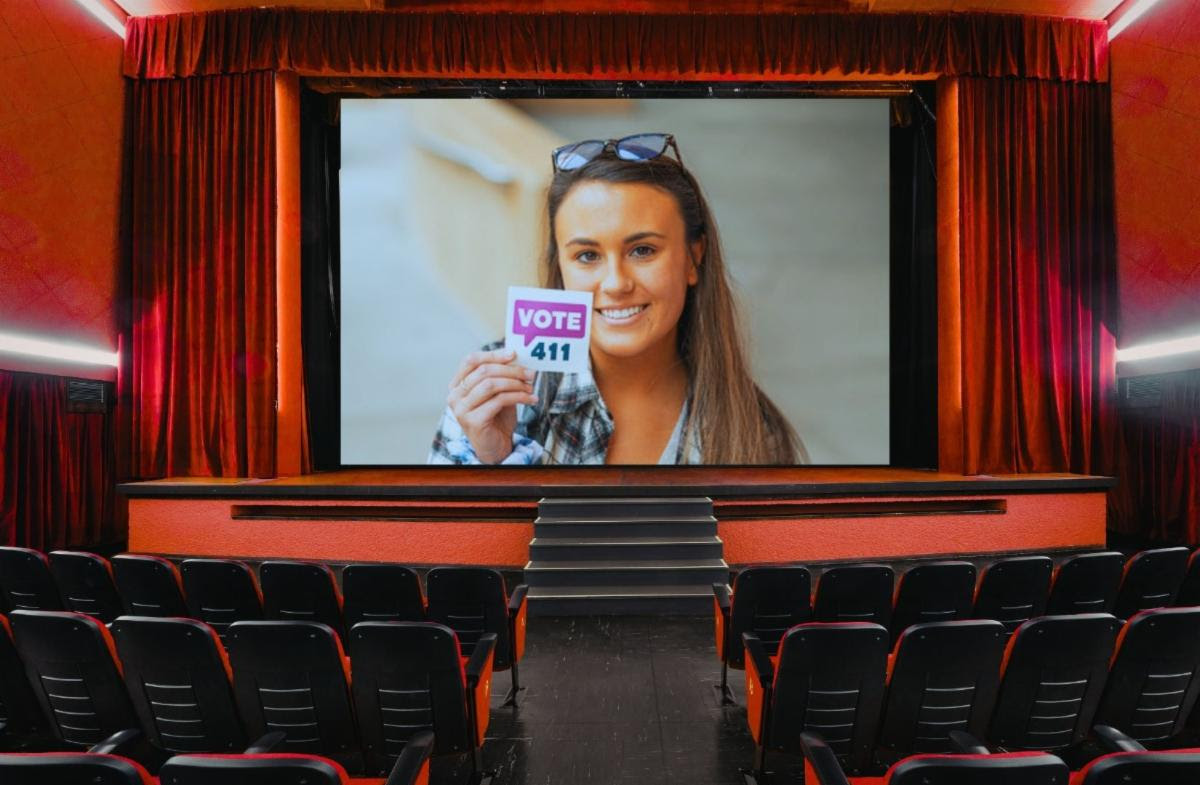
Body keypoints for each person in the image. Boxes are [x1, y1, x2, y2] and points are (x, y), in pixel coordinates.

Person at [429, 132, 806, 465]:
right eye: (587, 256)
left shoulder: (755, 434)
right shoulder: (494, 395)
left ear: (694, 258)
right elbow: (445, 545)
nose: (615, 283)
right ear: (560, 269)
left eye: (642, 250)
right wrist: (491, 462)